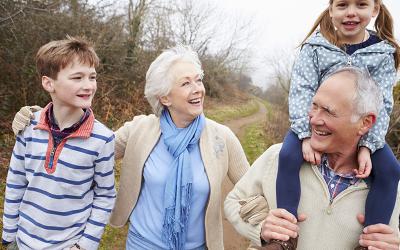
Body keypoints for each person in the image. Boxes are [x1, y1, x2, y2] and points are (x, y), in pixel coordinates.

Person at [11, 45, 250, 250]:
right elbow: (85, 146)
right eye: (186, 83)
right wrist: (39, 117)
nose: (198, 88)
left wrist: (266, 232)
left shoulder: (222, 138)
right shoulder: (140, 130)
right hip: (141, 244)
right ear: (164, 98)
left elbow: (252, 191)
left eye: (198, 80)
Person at [224, 66, 400, 250]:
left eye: (328, 111)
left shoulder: (386, 187)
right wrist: (261, 229)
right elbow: (233, 202)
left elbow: (389, 238)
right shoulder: (277, 156)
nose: (314, 119)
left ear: (365, 123)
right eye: (314, 106)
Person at [274, 0, 400, 249]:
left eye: (361, 4)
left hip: (363, 132)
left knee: (390, 171)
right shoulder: (316, 47)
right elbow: (302, 90)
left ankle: (371, 241)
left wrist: (368, 145)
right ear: (331, 10)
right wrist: (304, 134)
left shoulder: (382, 53)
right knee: (288, 156)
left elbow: (382, 103)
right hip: (312, 125)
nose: (351, 12)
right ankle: (284, 235)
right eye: (342, 5)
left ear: (374, 10)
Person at [1, 36, 116, 249]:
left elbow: (105, 195)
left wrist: (85, 245)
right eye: (77, 77)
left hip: (68, 244)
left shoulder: (102, 139)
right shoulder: (28, 126)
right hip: (23, 241)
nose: (88, 85)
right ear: (48, 83)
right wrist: (9, 234)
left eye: (92, 77)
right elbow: (16, 181)